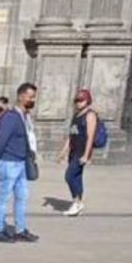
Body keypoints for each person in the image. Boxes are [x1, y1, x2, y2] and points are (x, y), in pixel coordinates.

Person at [0, 83, 40, 243]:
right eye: (30, 97)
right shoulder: (11, 117)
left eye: (34, 97)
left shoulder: (25, 116)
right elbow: (1, 141)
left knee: (22, 197)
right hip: (9, 163)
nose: (33, 100)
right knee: (4, 198)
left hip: (22, 163)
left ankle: (20, 229)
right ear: (21, 96)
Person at [57, 89, 98, 217]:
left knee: (69, 176)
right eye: (77, 100)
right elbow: (71, 135)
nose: (79, 103)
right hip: (74, 151)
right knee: (77, 178)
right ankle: (79, 203)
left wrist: (86, 155)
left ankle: (77, 201)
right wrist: (63, 152)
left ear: (87, 101)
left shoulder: (90, 115)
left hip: (81, 152)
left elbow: (90, 136)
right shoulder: (76, 115)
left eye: (81, 100)